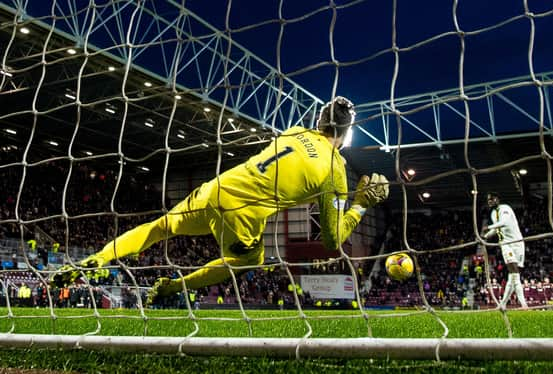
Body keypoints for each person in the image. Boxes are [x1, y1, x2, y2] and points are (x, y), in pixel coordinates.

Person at [50, 96, 389, 305]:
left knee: (160, 226)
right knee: (246, 260)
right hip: (241, 214)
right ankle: (173, 287)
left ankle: (98, 258)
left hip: (216, 188)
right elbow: (331, 240)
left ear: (318, 121)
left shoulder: (294, 131)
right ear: (345, 135)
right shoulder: (334, 169)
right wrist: (359, 204)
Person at [482, 192, 528, 310]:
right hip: (506, 244)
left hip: (518, 243)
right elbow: (497, 228)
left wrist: (489, 227)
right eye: (488, 200)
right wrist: (486, 236)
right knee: (514, 274)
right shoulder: (493, 214)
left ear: (497, 199)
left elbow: (505, 222)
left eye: (491, 199)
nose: (490, 201)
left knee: (513, 276)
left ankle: (503, 304)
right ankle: (524, 305)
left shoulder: (505, 208)